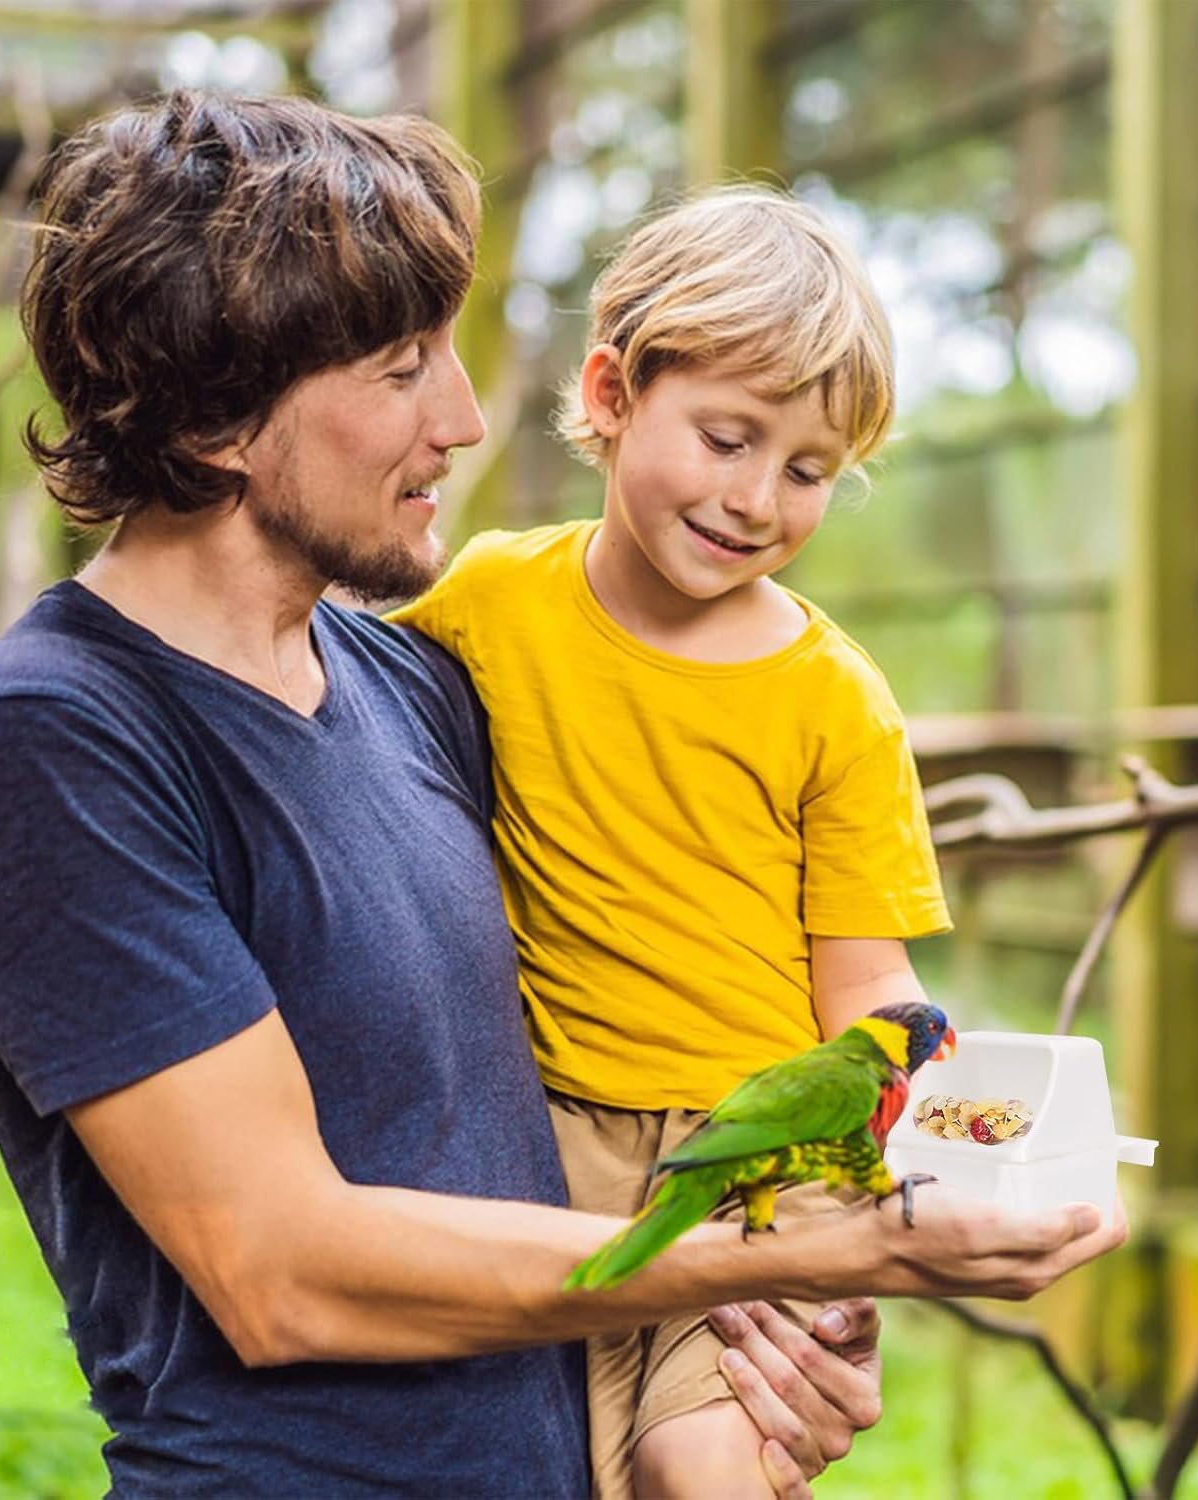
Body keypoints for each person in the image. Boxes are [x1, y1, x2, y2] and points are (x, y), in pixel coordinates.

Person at [0, 91, 1125, 1500]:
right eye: (400, 366)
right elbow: (279, 1273)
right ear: (219, 418)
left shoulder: (416, 682)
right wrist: (821, 1251)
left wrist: (778, 1320)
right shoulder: (56, 740)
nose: (468, 418)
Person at [391, 187, 954, 1498]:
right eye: (726, 437)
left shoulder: (834, 699)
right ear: (610, 392)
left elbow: (865, 982)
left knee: (700, 1468)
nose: (758, 498)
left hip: (763, 1145)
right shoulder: (484, 601)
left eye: (809, 470)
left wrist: (939, 1145)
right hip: (548, 1146)